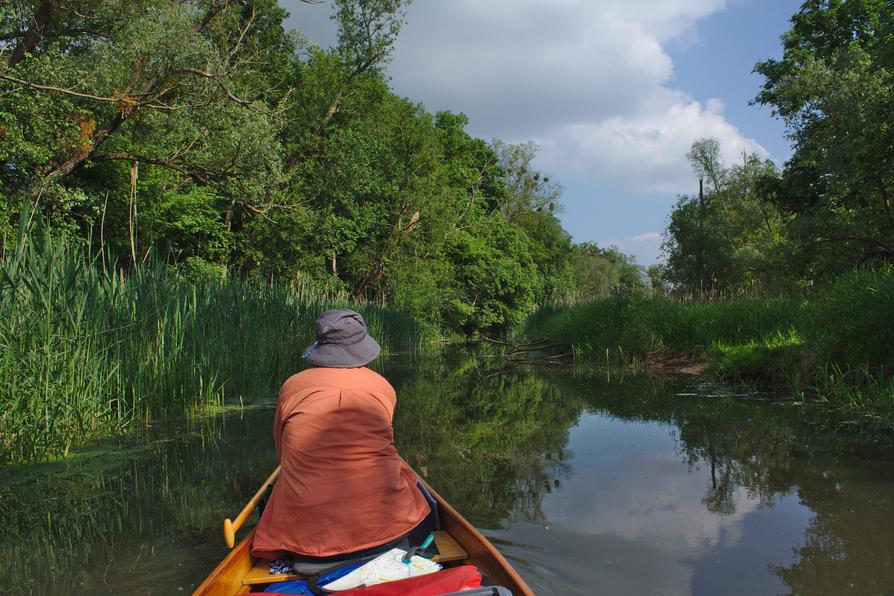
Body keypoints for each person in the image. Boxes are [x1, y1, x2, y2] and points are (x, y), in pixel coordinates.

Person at [251, 309, 430, 571]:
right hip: (387, 531)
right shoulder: (382, 387)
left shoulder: (292, 387)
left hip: (310, 543)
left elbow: (284, 453)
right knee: (409, 481)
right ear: (361, 348)